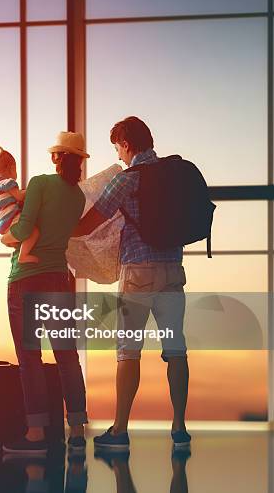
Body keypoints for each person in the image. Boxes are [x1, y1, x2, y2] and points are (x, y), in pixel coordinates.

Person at [73, 116, 191, 450]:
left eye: (118, 149)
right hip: (172, 272)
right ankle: (179, 427)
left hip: (137, 273)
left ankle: (120, 430)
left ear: (126, 144)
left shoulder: (127, 179)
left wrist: (58, 232)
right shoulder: (173, 176)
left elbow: (91, 221)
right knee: (176, 349)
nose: (119, 157)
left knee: (128, 353)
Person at [0, 131, 90, 455]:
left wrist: (5, 238)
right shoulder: (78, 197)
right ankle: (77, 430)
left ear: (56, 157)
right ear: (78, 161)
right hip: (58, 281)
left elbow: (23, 230)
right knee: (67, 356)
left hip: (26, 279)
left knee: (30, 359)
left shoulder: (39, 183)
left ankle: (36, 434)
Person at [0, 143, 40, 264]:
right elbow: (20, 196)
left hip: (1, 226)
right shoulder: (8, 182)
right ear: (11, 168)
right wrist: (32, 190)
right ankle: (23, 255)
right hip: (11, 221)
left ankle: (10, 242)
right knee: (35, 231)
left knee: (19, 240)